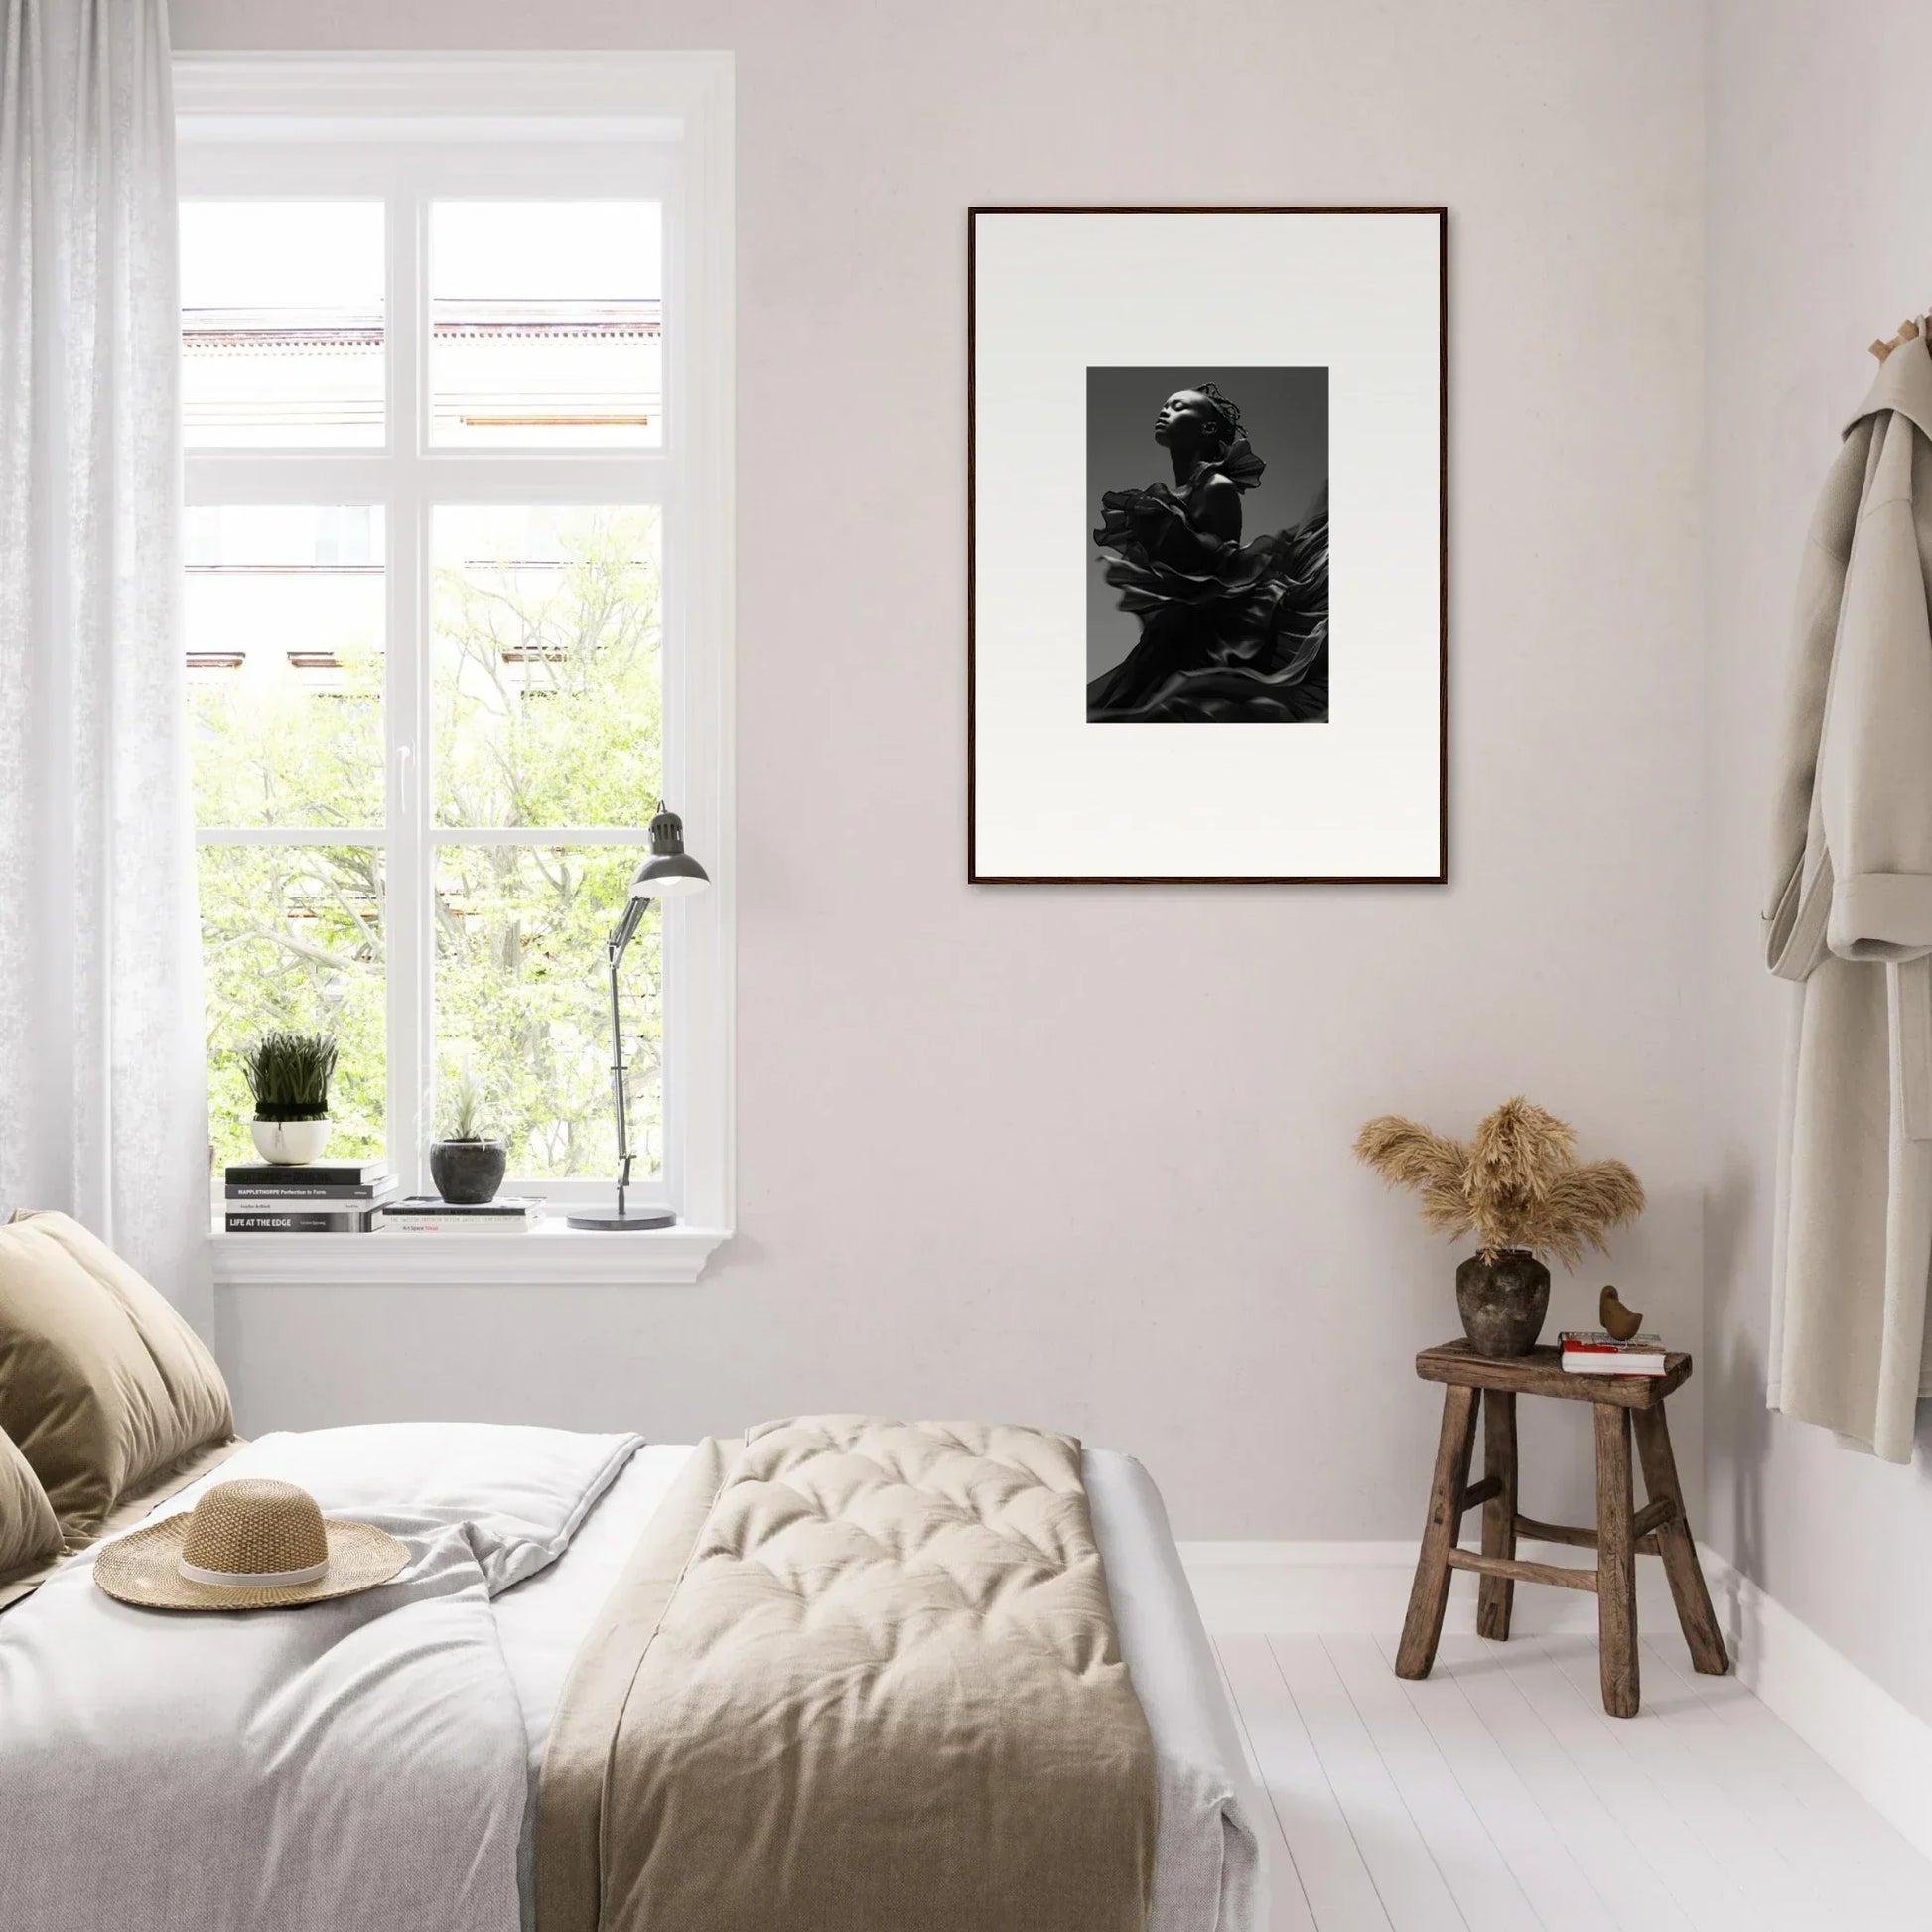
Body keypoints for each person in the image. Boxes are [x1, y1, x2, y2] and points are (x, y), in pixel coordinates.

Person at [1088, 383, 1328, 722]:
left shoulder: (1217, 485)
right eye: (1166, 405)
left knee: (1130, 705)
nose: (1165, 410)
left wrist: (1165, 525)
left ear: (1209, 428)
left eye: (1179, 406)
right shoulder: (1181, 493)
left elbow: (1217, 564)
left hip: (1204, 629)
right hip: (1178, 621)